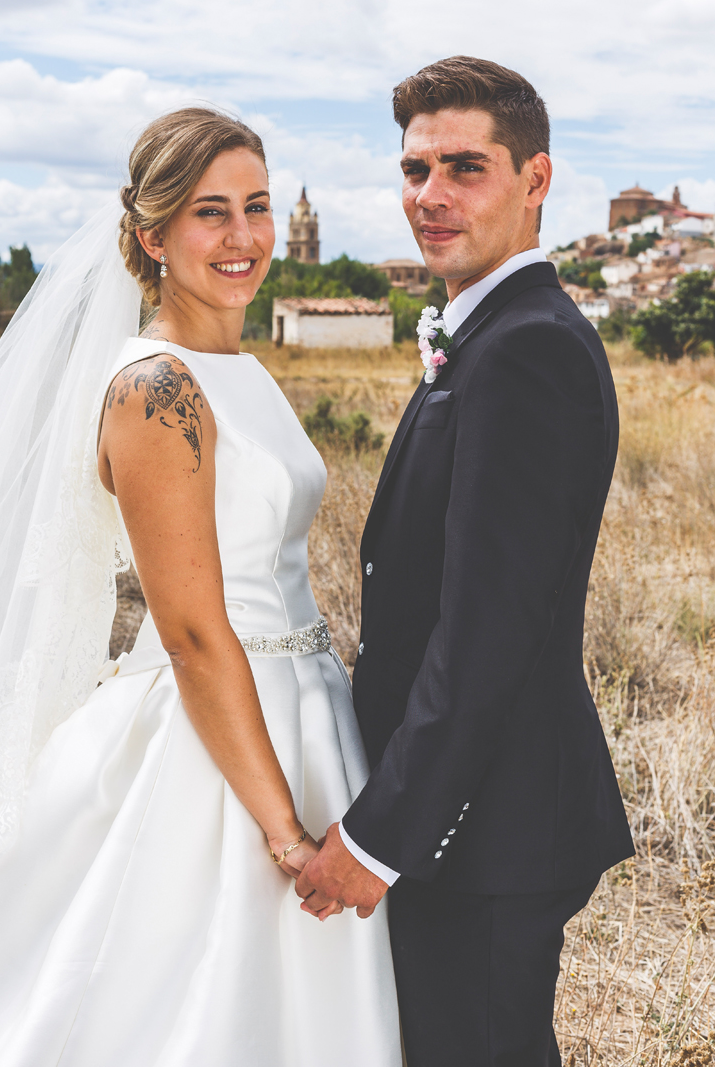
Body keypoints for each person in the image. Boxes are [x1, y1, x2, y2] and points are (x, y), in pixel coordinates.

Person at [0, 108, 401, 1066]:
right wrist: (282, 833)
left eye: (258, 207)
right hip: (216, 737)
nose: (244, 238)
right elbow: (191, 630)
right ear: (152, 237)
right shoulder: (158, 389)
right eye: (209, 213)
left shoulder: (237, 369)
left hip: (305, 711)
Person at [296, 57, 635, 1066]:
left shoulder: (524, 347)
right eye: (412, 170)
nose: (428, 197)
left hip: (485, 826)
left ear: (534, 180)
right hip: (471, 813)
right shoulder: (484, 331)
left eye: (463, 168)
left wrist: (380, 834)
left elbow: (488, 627)